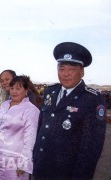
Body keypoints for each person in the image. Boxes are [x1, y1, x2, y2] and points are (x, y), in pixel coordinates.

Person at [33, 42, 106, 179]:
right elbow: (41, 128)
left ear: (82, 72)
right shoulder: (51, 91)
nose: (65, 74)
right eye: (61, 69)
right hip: (41, 168)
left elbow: (91, 149)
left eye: (71, 69)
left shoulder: (92, 99)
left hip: (66, 174)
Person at [0, 75, 40, 180]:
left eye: (18, 88)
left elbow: (30, 139)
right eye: (12, 88)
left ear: (26, 90)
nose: (14, 91)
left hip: (15, 160)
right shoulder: (4, 104)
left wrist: (24, 163)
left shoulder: (31, 110)